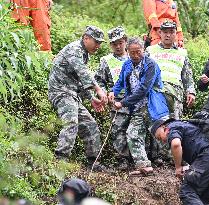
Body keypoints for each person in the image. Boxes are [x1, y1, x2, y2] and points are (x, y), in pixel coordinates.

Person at [48, 26, 108, 171]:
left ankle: (93, 163)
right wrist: (98, 89)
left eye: (100, 43)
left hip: (72, 95)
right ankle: (60, 161)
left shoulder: (84, 53)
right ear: (86, 38)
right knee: (71, 122)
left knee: (90, 125)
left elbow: (79, 81)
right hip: (61, 93)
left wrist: (91, 98)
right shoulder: (74, 49)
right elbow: (83, 73)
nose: (98, 46)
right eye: (96, 42)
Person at [109, 37, 169, 174]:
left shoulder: (150, 65)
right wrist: (113, 91)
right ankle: (144, 165)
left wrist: (122, 102)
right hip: (137, 107)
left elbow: (143, 89)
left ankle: (182, 161)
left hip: (152, 106)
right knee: (133, 133)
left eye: (138, 52)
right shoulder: (127, 64)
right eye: (132, 52)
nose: (135, 55)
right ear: (127, 51)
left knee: (162, 135)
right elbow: (120, 82)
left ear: (143, 50)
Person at [151, 118, 209, 205]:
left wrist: (178, 167)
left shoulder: (171, 127)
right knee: (202, 196)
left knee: (187, 191)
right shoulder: (187, 126)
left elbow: (176, 144)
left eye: (159, 137)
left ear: (164, 127)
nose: (162, 141)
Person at [94, 26, 130, 170]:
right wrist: (104, 93)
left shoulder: (134, 55)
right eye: (114, 44)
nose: (118, 46)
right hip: (116, 101)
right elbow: (99, 80)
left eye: (120, 42)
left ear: (125, 41)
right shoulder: (106, 60)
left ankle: (141, 157)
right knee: (118, 130)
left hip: (135, 99)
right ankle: (123, 159)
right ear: (111, 45)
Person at [146, 21, 196, 119]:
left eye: (171, 32)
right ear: (160, 33)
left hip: (175, 95)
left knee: (174, 127)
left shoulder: (182, 53)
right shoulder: (150, 51)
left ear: (176, 34)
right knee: (158, 127)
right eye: (165, 32)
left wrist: (191, 92)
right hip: (156, 93)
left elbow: (187, 76)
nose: (168, 35)